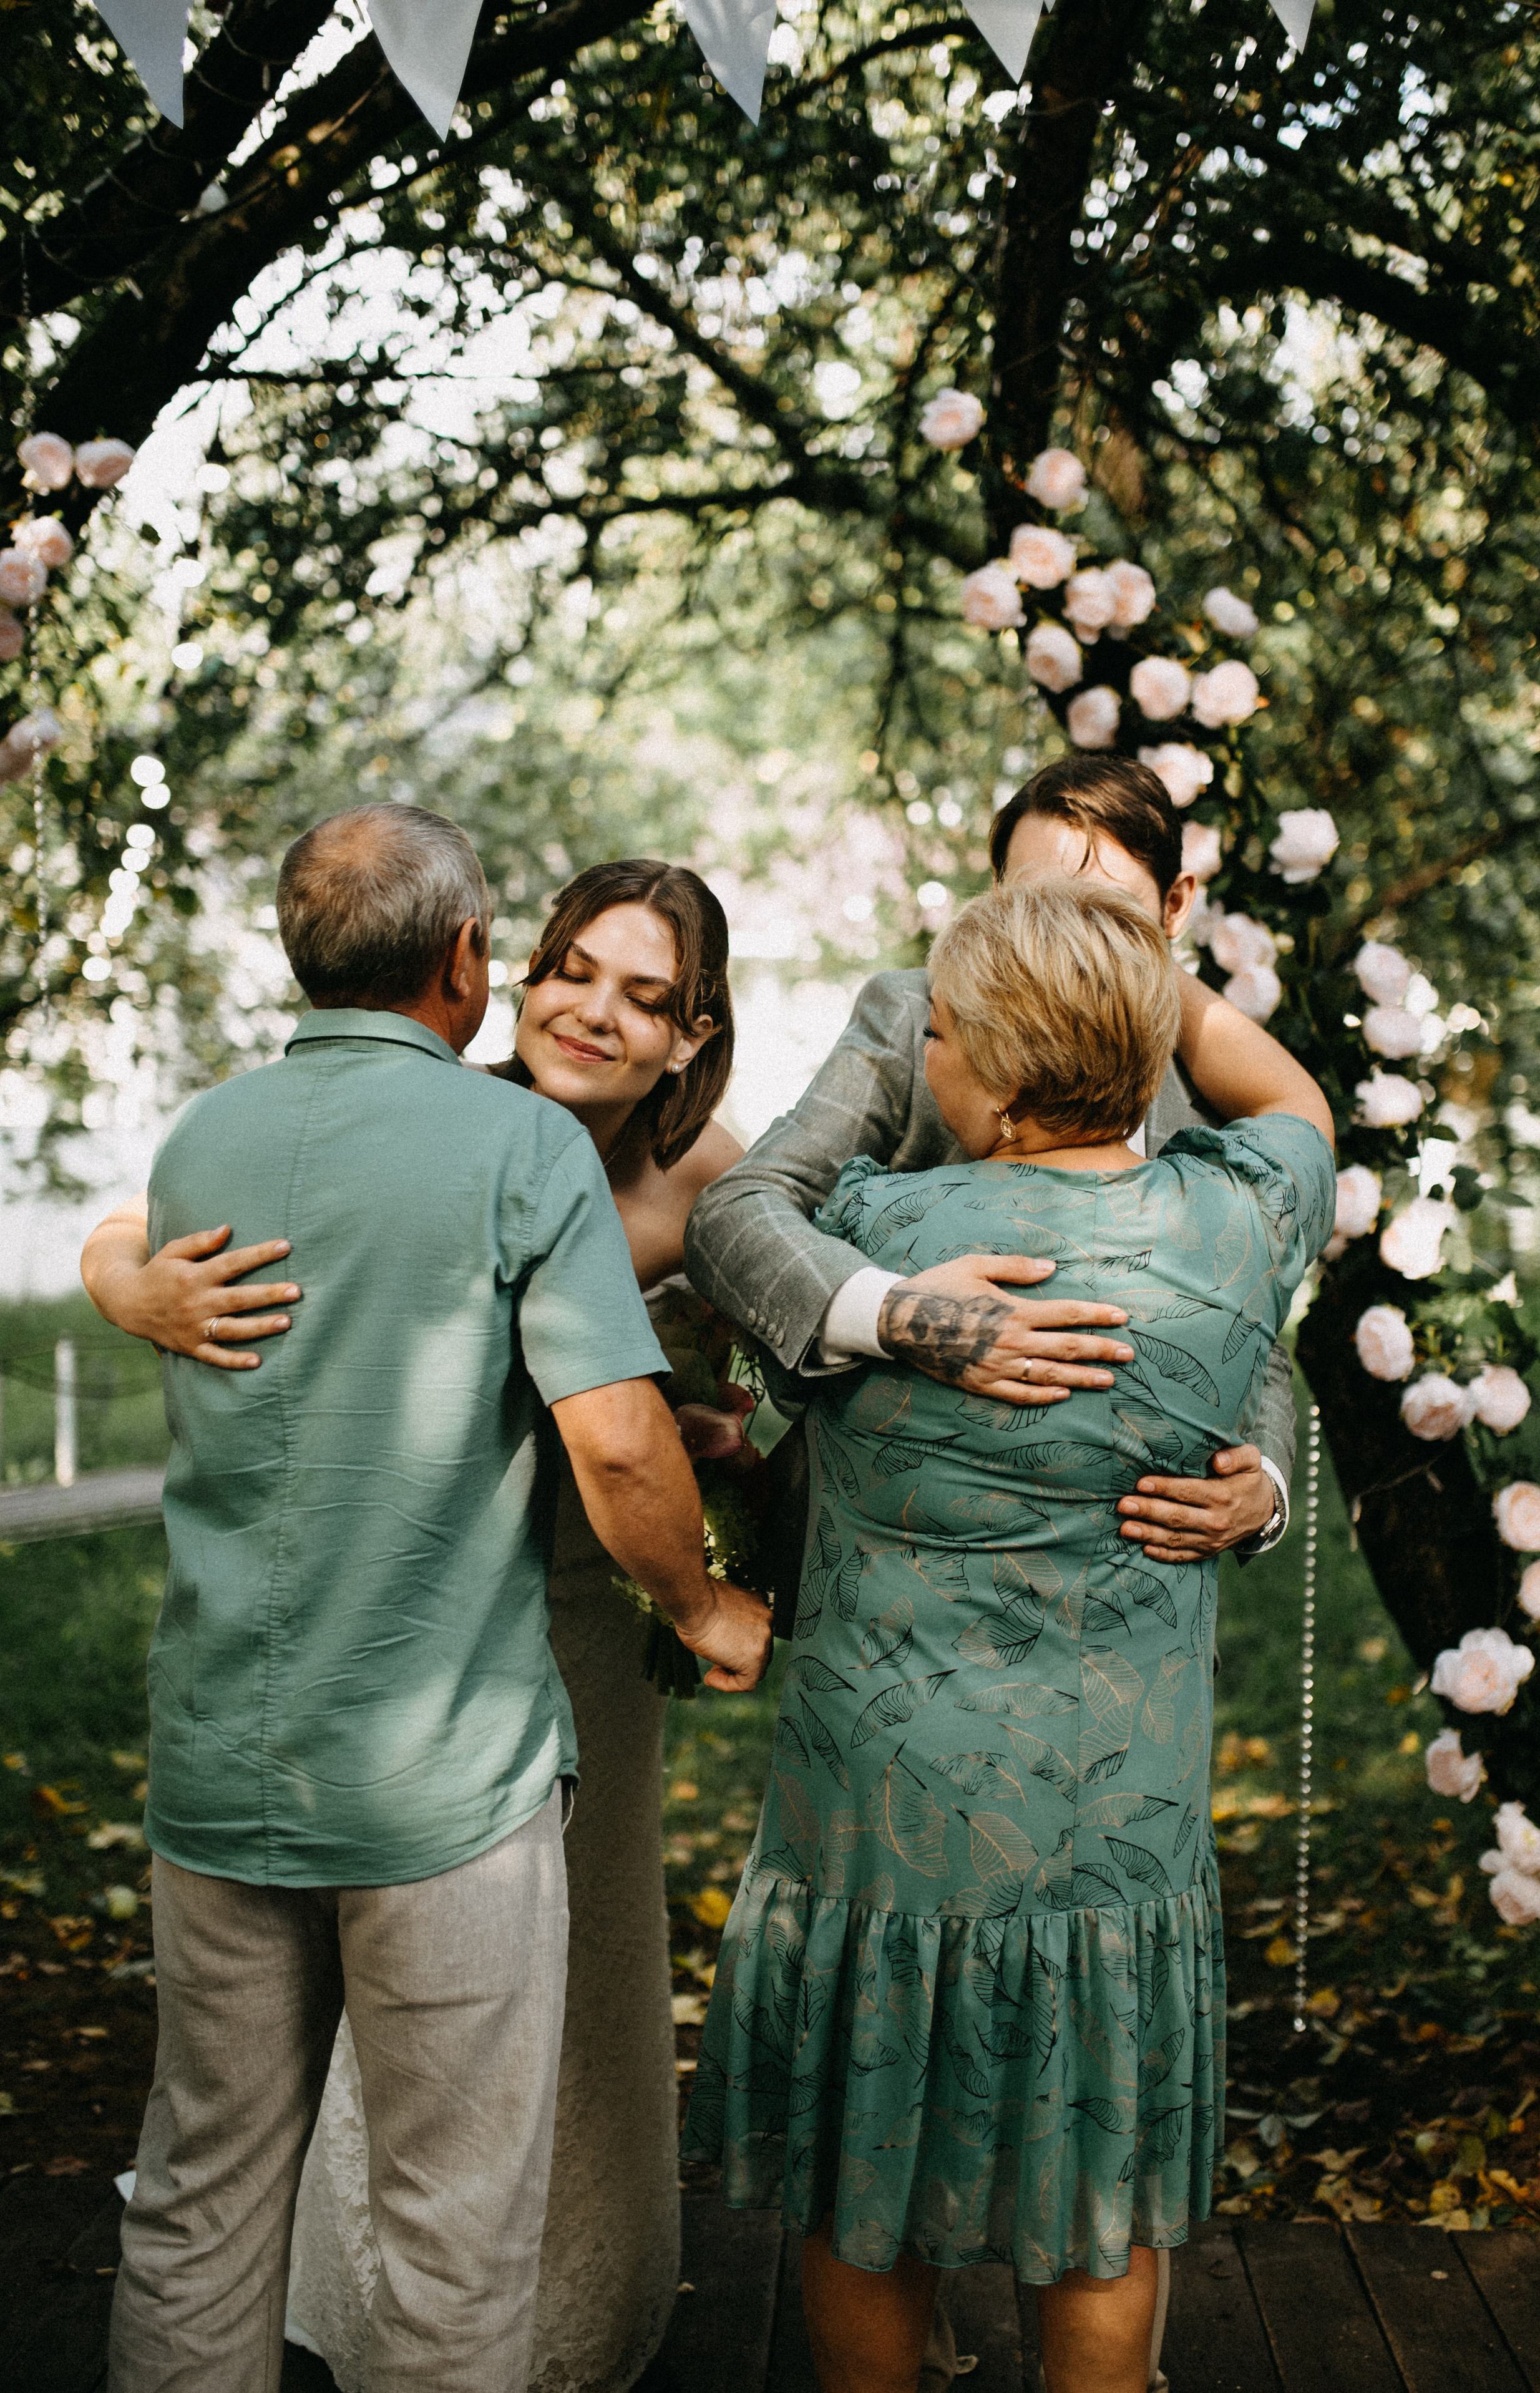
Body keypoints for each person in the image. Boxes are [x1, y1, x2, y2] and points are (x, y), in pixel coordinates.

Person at [89, 811, 771, 2393]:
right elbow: (612, 1434)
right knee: (456, 2227)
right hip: (441, 1772)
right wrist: (706, 1604)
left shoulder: (211, 1130)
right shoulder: (519, 1148)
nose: (590, 1009)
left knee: (194, 2200)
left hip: (217, 1755)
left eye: (641, 991)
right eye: (562, 965)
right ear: (475, 959)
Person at [683, 879, 1335, 2393]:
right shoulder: (1242, 1220)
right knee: (1102, 2190)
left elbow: (734, 1226)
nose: (926, 1046)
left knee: (866, 2161)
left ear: (1005, 1061)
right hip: (1115, 1815)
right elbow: (1293, 1100)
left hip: (873, 1815)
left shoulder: (880, 1233)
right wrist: (1146, 979)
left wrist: (889, 1312)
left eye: (945, 1026)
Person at [685, 756, 1297, 1570]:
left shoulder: (1214, 1073)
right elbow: (737, 1212)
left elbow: (1247, 1307)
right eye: (1030, 902)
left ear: (1176, 905)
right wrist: (897, 1314)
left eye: (1104, 907)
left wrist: (1266, 1488)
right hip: (897, 1560)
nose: (1066, 936)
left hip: (1129, 1599)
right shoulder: (915, 1016)